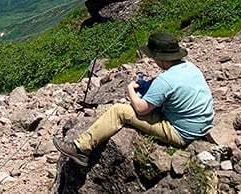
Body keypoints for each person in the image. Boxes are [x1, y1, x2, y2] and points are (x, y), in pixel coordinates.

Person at [54, 31, 214, 166]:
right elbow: (172, 89)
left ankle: (80, 149)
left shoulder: (165, 80)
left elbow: (141, 109)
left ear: (161, 58)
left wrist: (130, 90)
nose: (153, 60)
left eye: (153, 57)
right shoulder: (190, 67)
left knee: (119, 111)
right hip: (202, 125)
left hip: (182, 133)